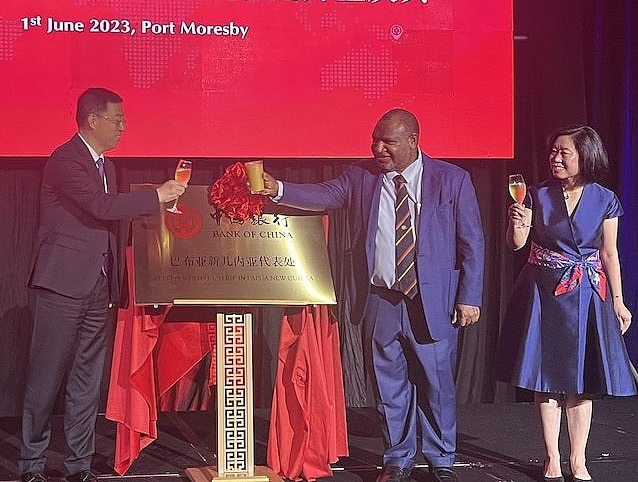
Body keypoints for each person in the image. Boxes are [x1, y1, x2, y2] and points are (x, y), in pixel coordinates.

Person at [257, 109, 484, 482]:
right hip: (381, 299)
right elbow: (325, 194)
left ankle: (442, 461)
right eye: (375, 140)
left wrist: (470, 295)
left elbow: (472, 241)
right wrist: (278, 188)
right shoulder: (361, 176)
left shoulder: (452, 179)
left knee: (436, 383)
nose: (378, 148)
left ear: (413, 141)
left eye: (388, 142)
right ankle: (397, 458)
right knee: (388, 383)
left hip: (433, 300)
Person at [18, 87, 187, 482]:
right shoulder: (65, 161)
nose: (123, 127)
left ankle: (78, 465)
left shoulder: (107, 166)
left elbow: (109, 217)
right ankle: (31, 466)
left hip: (98, 286)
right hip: (62, 284)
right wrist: (155, 197)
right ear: (92, 120)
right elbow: (100, 206)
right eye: (118, 120)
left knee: (86, 380)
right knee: (46, 378)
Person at [496, 125, 636, 482]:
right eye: (553, 152)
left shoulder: (605, 199)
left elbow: (609, 254)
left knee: (582, 381)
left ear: (584, 156)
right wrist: (518, 224)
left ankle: (578, 460)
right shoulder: (536, 194)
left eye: (564, 152)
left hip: (588, 293)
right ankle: (551, 459)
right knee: (546, 379)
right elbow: (516, 246)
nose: (555, 158)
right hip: (544, 292)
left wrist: (619, 302)